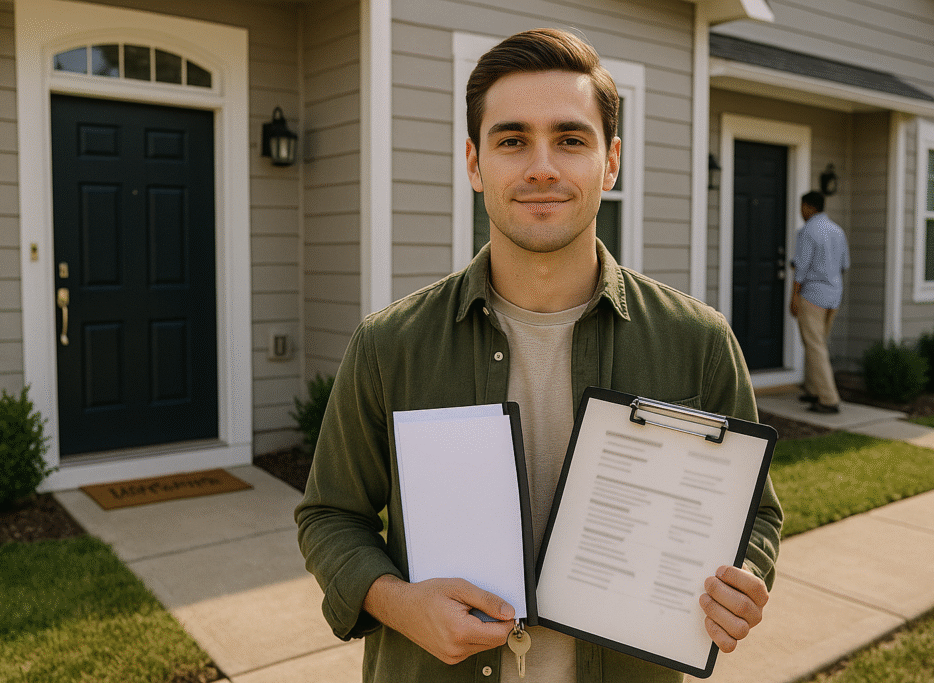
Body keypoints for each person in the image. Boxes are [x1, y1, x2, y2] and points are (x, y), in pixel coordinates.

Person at [296, 28, 783, 683]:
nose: (542, 167)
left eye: (571, 139)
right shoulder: (390, 344)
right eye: (512, 139)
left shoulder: (697, 340)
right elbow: (330, 514)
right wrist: (397, 601)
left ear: (610, 163)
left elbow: (755, 513)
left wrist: (744, 578)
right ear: (474, 162)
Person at [790, 191, 850, 414]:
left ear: (808, 207)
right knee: (818, 343)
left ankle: (828, 399)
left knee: (815, 346)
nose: (801, 211)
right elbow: (844, 265)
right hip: (834, 295)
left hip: (813, 295)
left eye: (801, 206)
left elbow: (801, 269)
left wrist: (794, 297)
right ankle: (813, 389)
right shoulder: (838, 231)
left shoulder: (808, 231)